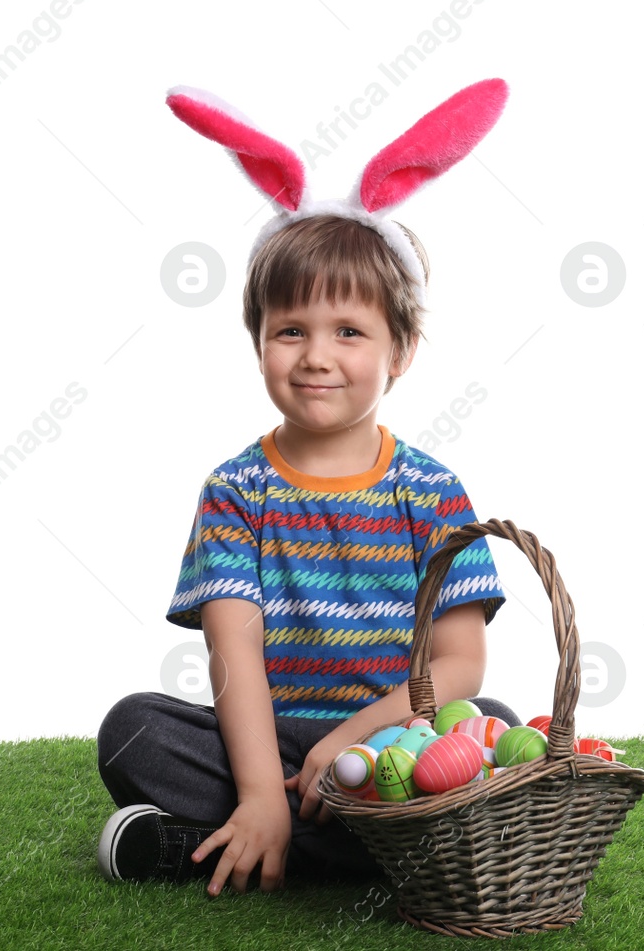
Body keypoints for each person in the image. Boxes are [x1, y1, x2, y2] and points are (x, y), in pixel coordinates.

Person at [96, 77, 514, 898]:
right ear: (258, 343)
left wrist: (355, 742)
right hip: (268, 741)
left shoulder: (431, 490)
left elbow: (458, 662)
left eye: (349, 332)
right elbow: (234, 649)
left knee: (488, 724)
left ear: (401, 351)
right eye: (290, 330)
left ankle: (202, 849)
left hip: (393, 737)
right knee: (133, 731)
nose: (316, 355)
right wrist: (262, 790)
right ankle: (311, 841)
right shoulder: (236, 489)